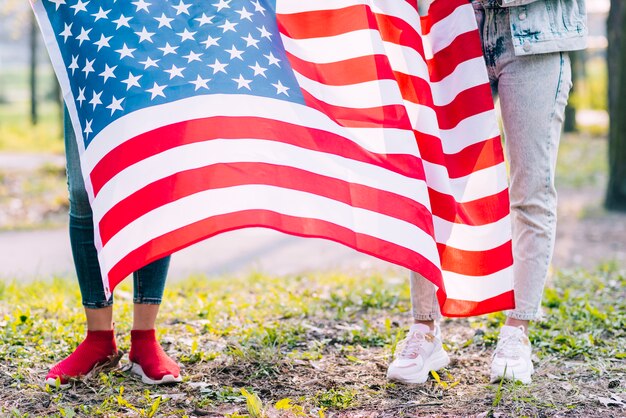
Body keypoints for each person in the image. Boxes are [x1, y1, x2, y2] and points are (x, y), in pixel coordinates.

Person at [387, 0, 587, 384]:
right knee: (430, 181)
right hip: (454, 24)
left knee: (531, 189)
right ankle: (424, 329)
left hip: (536, 35)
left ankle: (517, 332)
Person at [45, 110, 182, 387]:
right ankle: (99, 339)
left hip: (156, 69)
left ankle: (144, 337)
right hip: (84, 68)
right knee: (84, 191)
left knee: (153, 183)